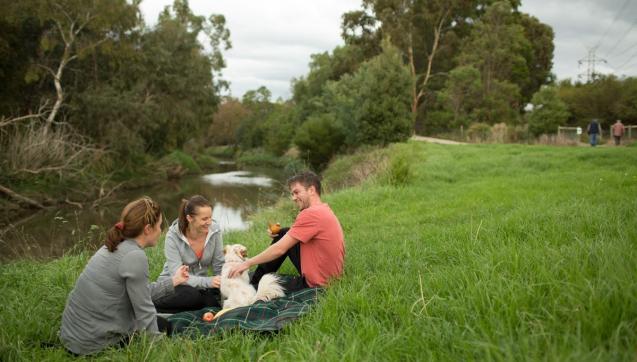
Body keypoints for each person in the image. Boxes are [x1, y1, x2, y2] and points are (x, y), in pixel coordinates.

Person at [59, 197, 189, 356]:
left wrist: (174, 281)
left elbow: (141, 295)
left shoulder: (115, 244)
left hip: (74, 338)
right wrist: (159, 350)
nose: (161, 230)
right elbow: (144, 310)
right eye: (160, 225)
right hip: (94, 345)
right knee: (166, 325)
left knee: (163, 320)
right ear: (148, 229)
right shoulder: (134, 256)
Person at [228, 171, 345, 293]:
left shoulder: (311, 213)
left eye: (296, 192)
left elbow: (280, 249)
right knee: (284, 233)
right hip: (330, 277)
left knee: (262, 287)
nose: (293, 198)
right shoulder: (322, 209)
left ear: (311, 190)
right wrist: (281, 234)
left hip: (317, 284)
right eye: (292, 194)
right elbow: (293, 235)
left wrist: (248, 263)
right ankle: (255, 281)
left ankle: (253, 286)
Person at [153, 195, 224, 313]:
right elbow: (177, 275)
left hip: (201, 287)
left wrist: (225, 285)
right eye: (204, 219)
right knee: (192, 296)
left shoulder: (215, 231)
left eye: (210, 217)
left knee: (213, 304)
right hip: (175, 285)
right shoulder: (173, 236)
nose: (209, 222)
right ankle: (152, 305)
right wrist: (208, 282)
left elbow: (219, 265)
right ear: (190, 218)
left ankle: (187, 308)